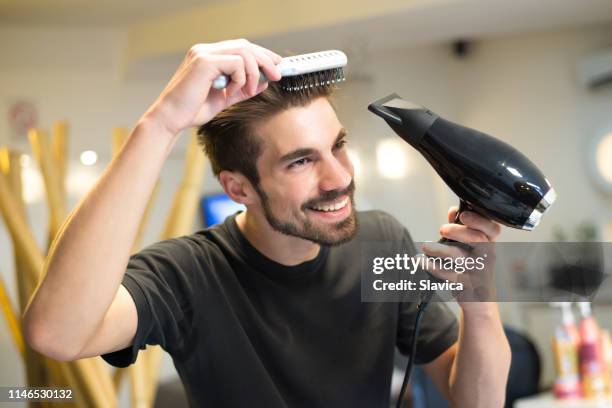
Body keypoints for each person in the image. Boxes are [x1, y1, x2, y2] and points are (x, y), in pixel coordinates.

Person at [23, 39, 511, 407]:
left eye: (337, 146)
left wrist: (481, 307)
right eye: (301, 162)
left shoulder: (380, 241)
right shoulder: (189, 275)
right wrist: (161, 125)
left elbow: (473, 400)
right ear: (238, 189)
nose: (339, 178)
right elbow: (56, 335)